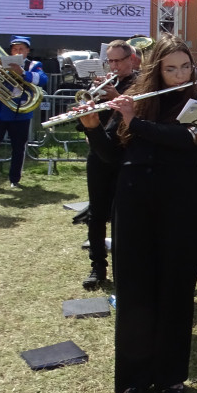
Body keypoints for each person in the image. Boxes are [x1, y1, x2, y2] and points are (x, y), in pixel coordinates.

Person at [80, 36, 197, 393]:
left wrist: (133, 121)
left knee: (175, 290)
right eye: (171, 68)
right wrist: (92, 126)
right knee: (135, 293)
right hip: (135, 203)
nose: (180, 74)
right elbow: (109, 156)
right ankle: (135, 379)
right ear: (156, 69)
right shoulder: (135, 99)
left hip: (180, 207)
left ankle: (170, 376)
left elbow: (185, 139)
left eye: (185, 67)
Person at [80, 40, 138, 289]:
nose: (113, 66)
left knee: (122, 214)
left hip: (125, 156)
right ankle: (97, 266)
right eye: (110, 61)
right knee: (96, 213)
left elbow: (137, 117)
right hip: (98, 153)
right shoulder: (104, 84)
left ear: (131, 60)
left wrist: (118, 98)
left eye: (118, 61)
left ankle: (124, 266)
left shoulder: (140, 83)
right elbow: (90, 122)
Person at [0, 36, 49, 189]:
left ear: (27, 51)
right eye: (15, 49)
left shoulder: (33, 65)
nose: (17, 52)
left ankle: (14, 179)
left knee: (18, 148)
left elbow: (43, 79)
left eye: (21, 49)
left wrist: (22, 73)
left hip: (20, 113)